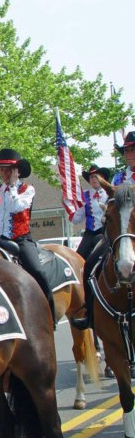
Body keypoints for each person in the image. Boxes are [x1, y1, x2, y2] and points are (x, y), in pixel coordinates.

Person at [72, 132, 135, 330]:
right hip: (121, 231)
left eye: (133, 149)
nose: (130, 153)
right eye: (127, 150)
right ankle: (90, 314)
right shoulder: (118, 177)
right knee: (90, 263)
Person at [0, 148, 56, 328]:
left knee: (37, 271)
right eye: (2, 169)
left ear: (17, 171)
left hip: (20, 239)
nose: (4, 173)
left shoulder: (28, 189)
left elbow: (15, 207)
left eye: (9, 170)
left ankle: (50, 313)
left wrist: (12, 187)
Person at [71, 165, 110, 259]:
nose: (94, 179)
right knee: (79, 257)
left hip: (107, 233)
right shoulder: (84, 195)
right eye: (91, 177)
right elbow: (76, 219)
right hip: (90, 233)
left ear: (103, 178)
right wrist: (68, 206)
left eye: (97, 176)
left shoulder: (110, 192)